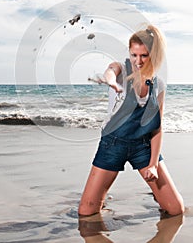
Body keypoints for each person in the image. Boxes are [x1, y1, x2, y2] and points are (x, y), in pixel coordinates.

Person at [78, 25, 184, 218]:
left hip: (143, 147)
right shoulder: (121, 69)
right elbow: (110, 70)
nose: (138, 61)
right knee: (86, 212)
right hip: (113, 144)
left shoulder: (158, 85)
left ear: (153, 55)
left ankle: (155, 194)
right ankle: (101, 197)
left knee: (176, 209)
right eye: (134, 55)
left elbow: (157, 128)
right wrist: (111, 81)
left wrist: (152, 164)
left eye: (144, 55)